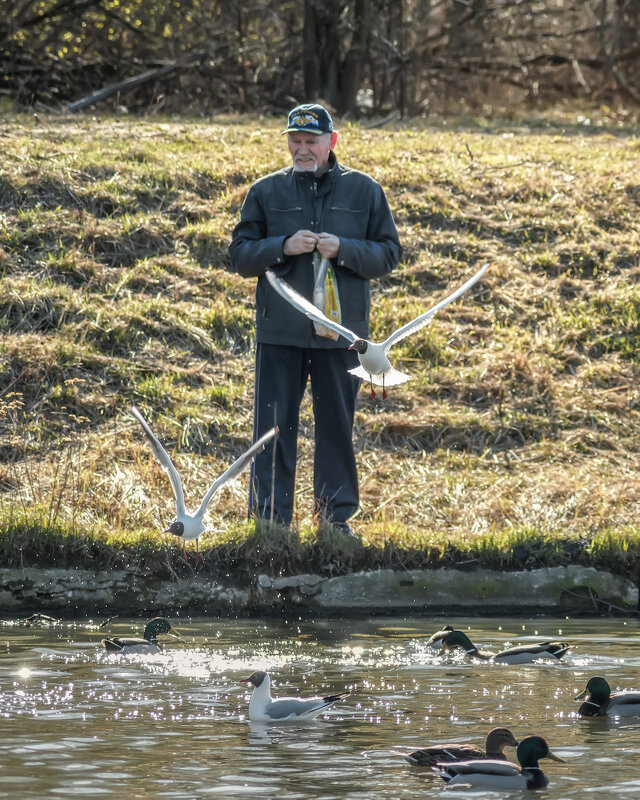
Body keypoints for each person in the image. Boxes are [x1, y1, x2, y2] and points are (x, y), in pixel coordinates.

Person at [228, 102, 402, 535]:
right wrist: (281, 247)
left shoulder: (365, 191)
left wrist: (344, 248)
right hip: (280, 333)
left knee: (336, 431)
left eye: (311, 141)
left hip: (342, 338)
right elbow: (240, 255)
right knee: (271, 431)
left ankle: (334, 523)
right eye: (295, 141)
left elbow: (389, 254)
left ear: (332, 142)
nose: (302, 149)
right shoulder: (265, 192)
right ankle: (269, 524)